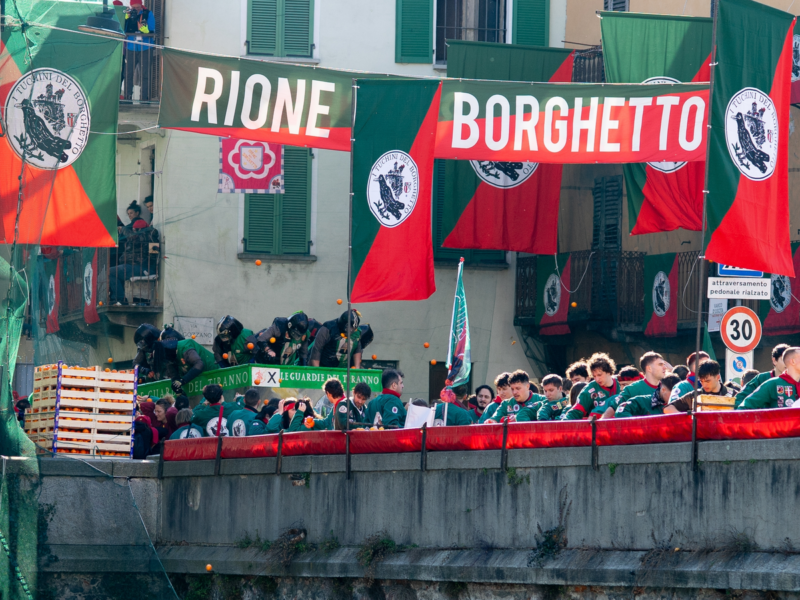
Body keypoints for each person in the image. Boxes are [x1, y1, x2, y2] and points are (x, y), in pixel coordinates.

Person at [599, 352, 667, 419]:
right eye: (660, 364)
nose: (665, 367)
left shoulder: (668, 387)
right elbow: (613, 407)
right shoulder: (632, 389)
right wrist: (602, 425)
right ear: (649, 368)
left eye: (664, 364)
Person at [110, 215, 159, 305]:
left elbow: (153, 255)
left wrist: (124, 229)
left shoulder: (148, 235)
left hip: (141, 268)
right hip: (136, 267)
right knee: (115, 274)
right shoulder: (147, 237)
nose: (133, 231)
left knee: (110, 272)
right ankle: (119, 299)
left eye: (134, 230)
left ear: (139, 230)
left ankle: (120, 299)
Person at [563, 353, 620, 420]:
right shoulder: (590, 389)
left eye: (599, 375)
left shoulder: (621, 383)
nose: (597, 379)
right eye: (594, 376)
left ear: (608, 372)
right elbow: (577, 410)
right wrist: (563, 423)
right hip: (598, 427)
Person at [667, 360, 735, 413]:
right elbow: (668, 408)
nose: (704, 385)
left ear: (718, 377)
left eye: (708, 381)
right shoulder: (696, 396)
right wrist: (688, 420)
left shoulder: (733, 395)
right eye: (701, 381)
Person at [123, 0, 156, 101]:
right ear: (131, 7)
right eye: (134, 8)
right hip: (131, 48)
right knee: (128, 73)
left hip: (145, 47)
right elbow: (121, 30)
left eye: (138, 7)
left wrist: (147, 30)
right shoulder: (127, 14)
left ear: (141, 6)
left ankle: (144, 98)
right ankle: (127, 98)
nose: (136, 10)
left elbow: (153, 29)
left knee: (145, 74)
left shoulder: (147, 13)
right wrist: (125, 19)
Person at [615, 374, 681, 418]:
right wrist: (638, 425)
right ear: (663, 390)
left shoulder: (681, 403)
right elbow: (621, 411)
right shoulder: (641, 401)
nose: (676, 397)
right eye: (673, 394)